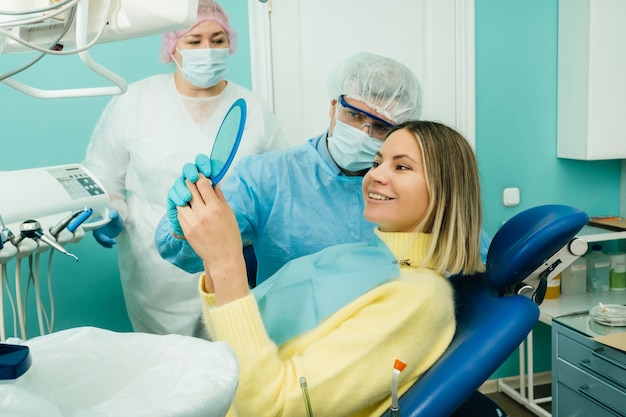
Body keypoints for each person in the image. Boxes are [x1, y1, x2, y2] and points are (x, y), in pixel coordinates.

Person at [176, 120, 486, 416]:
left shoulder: (421, 298)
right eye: (377, 163)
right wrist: (209, 239)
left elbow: (272, 408)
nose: (375, 175)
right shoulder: (357, 255)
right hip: (217, 390)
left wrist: (226, 260)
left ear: (445, 190)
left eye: (401, 166)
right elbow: (237, 331)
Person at [156, 51, 492, 286]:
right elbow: (191, 255)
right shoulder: (268, 177)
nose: (364, 134)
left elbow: (467, 245)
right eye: (355, 115)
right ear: (333, 106)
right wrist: (182, 225)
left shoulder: (415, 192)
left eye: (381, 128)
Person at [82, 0, 287, 337]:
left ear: (230, 42)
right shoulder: (135, 101)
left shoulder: (252, 107)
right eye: (195, 41)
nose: (207, 49)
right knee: (165, 367)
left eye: (217, 40)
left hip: (232, 262)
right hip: (154, 269)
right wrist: (111, 212)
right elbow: (104, 177)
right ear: (172, 46)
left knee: (233, 358)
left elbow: (279, 184)